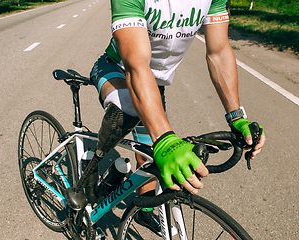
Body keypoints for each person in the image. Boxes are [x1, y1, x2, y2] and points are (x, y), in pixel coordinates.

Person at [89, 0, 266, 235]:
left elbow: (219, 51)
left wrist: (236, 117)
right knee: (133, 112)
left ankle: (144, 213)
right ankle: (90, 169)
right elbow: (135, 63)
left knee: (149, 151)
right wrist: (166, 138)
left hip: (152, 81)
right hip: (117, 68)